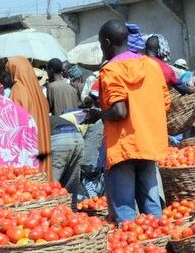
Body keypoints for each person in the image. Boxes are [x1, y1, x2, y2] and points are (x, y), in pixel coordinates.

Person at [84, 19, 170, 224]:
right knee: (151, 206)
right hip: (148, 142)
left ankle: (134, 251)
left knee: (125, 211)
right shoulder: (152, 66)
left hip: (123, 147)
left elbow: (119, 111)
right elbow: (165, 103)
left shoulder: (110, 71)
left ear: (106, 42)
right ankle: (158, 247)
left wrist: (97, 114)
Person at [7, 56, 53, 181]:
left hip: (28, 147)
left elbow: (12, 124)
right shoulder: (38, 92)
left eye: (8, 72)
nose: (6, 77)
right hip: (42, 143)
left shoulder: (18, 90)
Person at [50, 115, 84, 204]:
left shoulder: (32, 121)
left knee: (50, 186)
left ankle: (52, 210)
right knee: (72, 180)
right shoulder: (52, 118)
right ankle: (72, 210)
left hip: (59, 139)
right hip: (78, 136)